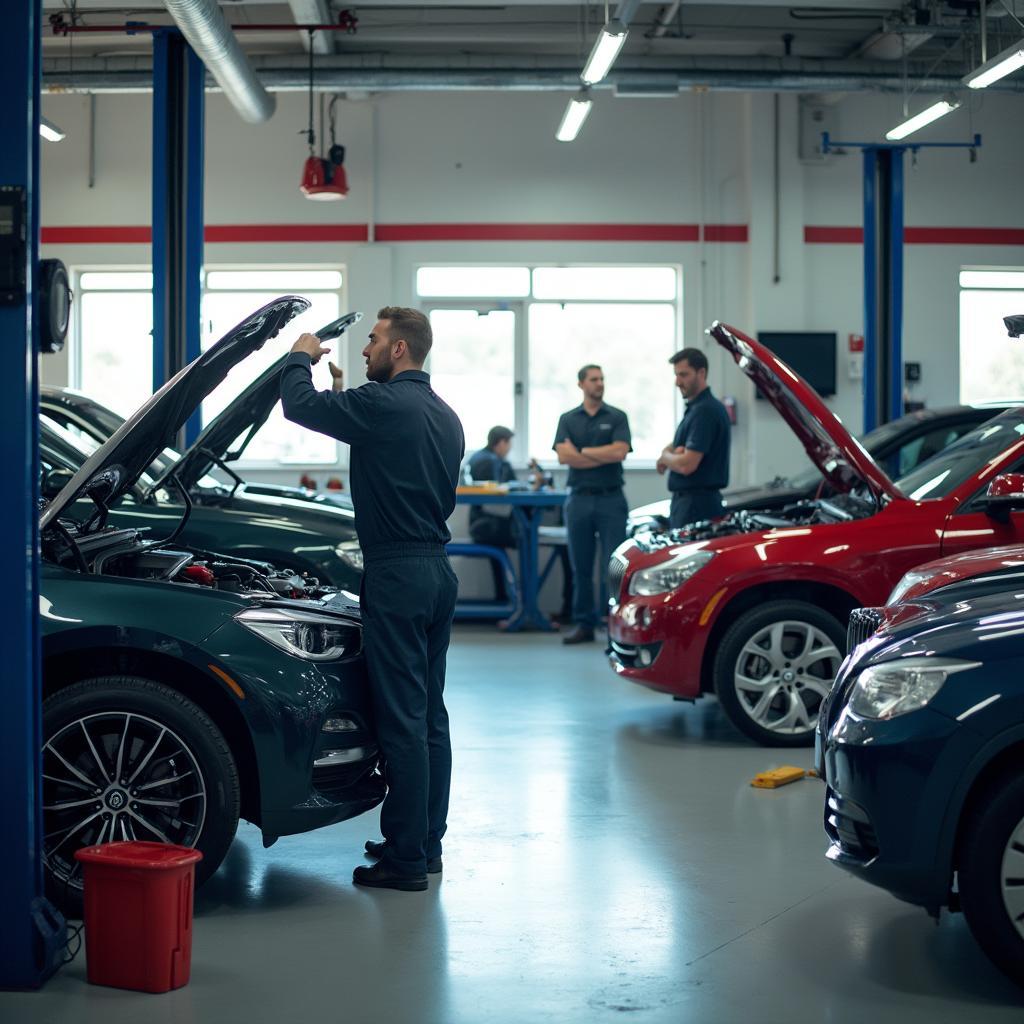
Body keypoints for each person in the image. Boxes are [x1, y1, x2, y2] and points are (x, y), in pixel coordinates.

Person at [280, 306, 464, 892]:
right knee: (430, 714)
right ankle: (423, 843)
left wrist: (300, 357)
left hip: (397, 576)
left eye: (374, 340)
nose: (364, 349)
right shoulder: (444, 414)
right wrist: (343, 390)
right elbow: (383, 446)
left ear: (401, 349)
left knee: (402, 721)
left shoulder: (383, 407)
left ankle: (404, 862)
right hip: (436, 571)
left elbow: (298, 406)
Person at [553, 364, 632, 644]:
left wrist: (582, 452)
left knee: (614, 567)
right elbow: (564, 457)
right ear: (581, 384)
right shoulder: (567, 419)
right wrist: (600, 454)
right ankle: (584, 624)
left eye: (602, 379)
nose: (599, 383)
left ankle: (615, 627)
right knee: (581, 567)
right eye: (594, 379)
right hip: (578, 500)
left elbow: (619, 452)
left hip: (611, 499)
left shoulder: (618, 417)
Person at [657, 347, 732, 530]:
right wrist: (676, 452)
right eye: (676, 375)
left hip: (696, 506)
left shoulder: (704, 411)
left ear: (702, 373)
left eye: (683, 375)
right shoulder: (698, 409)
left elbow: (686, 465)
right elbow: (679, 447)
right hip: (693, 503)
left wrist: (665, 456)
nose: (677, 382)